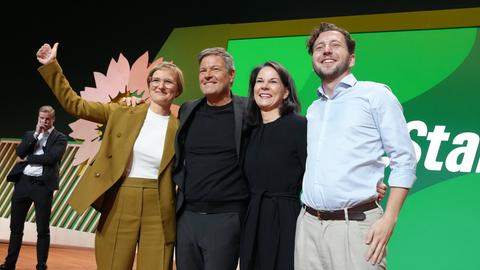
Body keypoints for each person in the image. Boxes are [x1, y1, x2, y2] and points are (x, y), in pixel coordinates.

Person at [35, 42, 183, 270]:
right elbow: (75, 105)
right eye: (156, 80)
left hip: (160, 205)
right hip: (121, 198)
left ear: (177, 90)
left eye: (168, 81)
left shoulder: (182, 127)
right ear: (149, 84)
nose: (161, 85)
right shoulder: (121, 111)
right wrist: (52, 67)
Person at [294, 22, 417, 270]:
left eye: (334, 45)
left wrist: (389, 219)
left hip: (356, 227)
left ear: (351, 59)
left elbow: (404, 159)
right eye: (320, 47)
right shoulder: (314, 108)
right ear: (313, 59)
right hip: (308, 226)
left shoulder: (375, 96)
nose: (326, 50)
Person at [173, 47, 249, 270]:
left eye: (215, 69)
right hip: (187, 216)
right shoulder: (188, 110)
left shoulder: (249, 111)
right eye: (202, 70)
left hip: (227, 218)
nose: (207, 75)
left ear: (231, 75)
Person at [240, 61, 306, 270]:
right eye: (259, 81)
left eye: (273, 81)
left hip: (286, 220)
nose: (264, 86)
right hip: (253, 220)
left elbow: (318, 172)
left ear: (286, 92)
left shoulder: (299, 126)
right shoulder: (247, 130)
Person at [1, 105, 67, 270]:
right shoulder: (30, 135)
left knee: (42, 229)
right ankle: (9, 265)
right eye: (41, 118)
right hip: (23, 184)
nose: (44, 121)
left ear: (53, 120)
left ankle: (41, 266)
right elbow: (20, 152)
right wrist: (36, 135)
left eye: (47, 119)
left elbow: (51, 158)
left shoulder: (60, 138)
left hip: (43, 187)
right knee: (15, 228)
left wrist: (27, 159)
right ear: (38, 118)